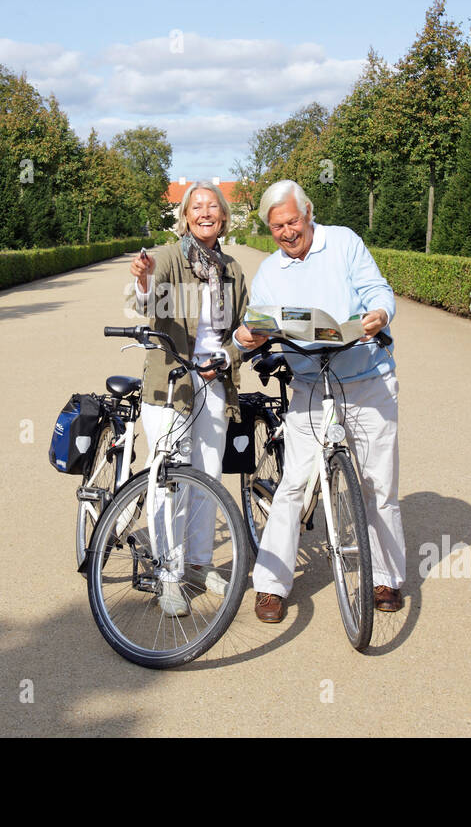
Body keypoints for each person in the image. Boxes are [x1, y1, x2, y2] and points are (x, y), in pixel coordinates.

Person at [234, 179, 406, 624]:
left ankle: (385, 578)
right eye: (277, 227)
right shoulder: (271, 270)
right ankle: (270, 585)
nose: (287, 232)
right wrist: (250, 335)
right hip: (310, 384)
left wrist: (379, 314)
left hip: (366, 377)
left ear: (308, 211)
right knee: (294, 483)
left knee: (378, 486)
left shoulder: (344, 242)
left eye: (292, 221)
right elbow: (254, 324)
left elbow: (377, 290)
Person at [127, 180, 250, 616]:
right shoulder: (165, 258)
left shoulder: (232, 269)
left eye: (212, 207)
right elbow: (143, 300)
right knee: (169, 481)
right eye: (196, 207)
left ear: (222, 217)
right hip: (171, 382)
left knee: (208, 476)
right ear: (185, 215)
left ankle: (199, 564)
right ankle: (167, 573)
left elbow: (243, 329)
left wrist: (231, 353)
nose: (204, 213)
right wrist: (142, 280)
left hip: (215, 383)